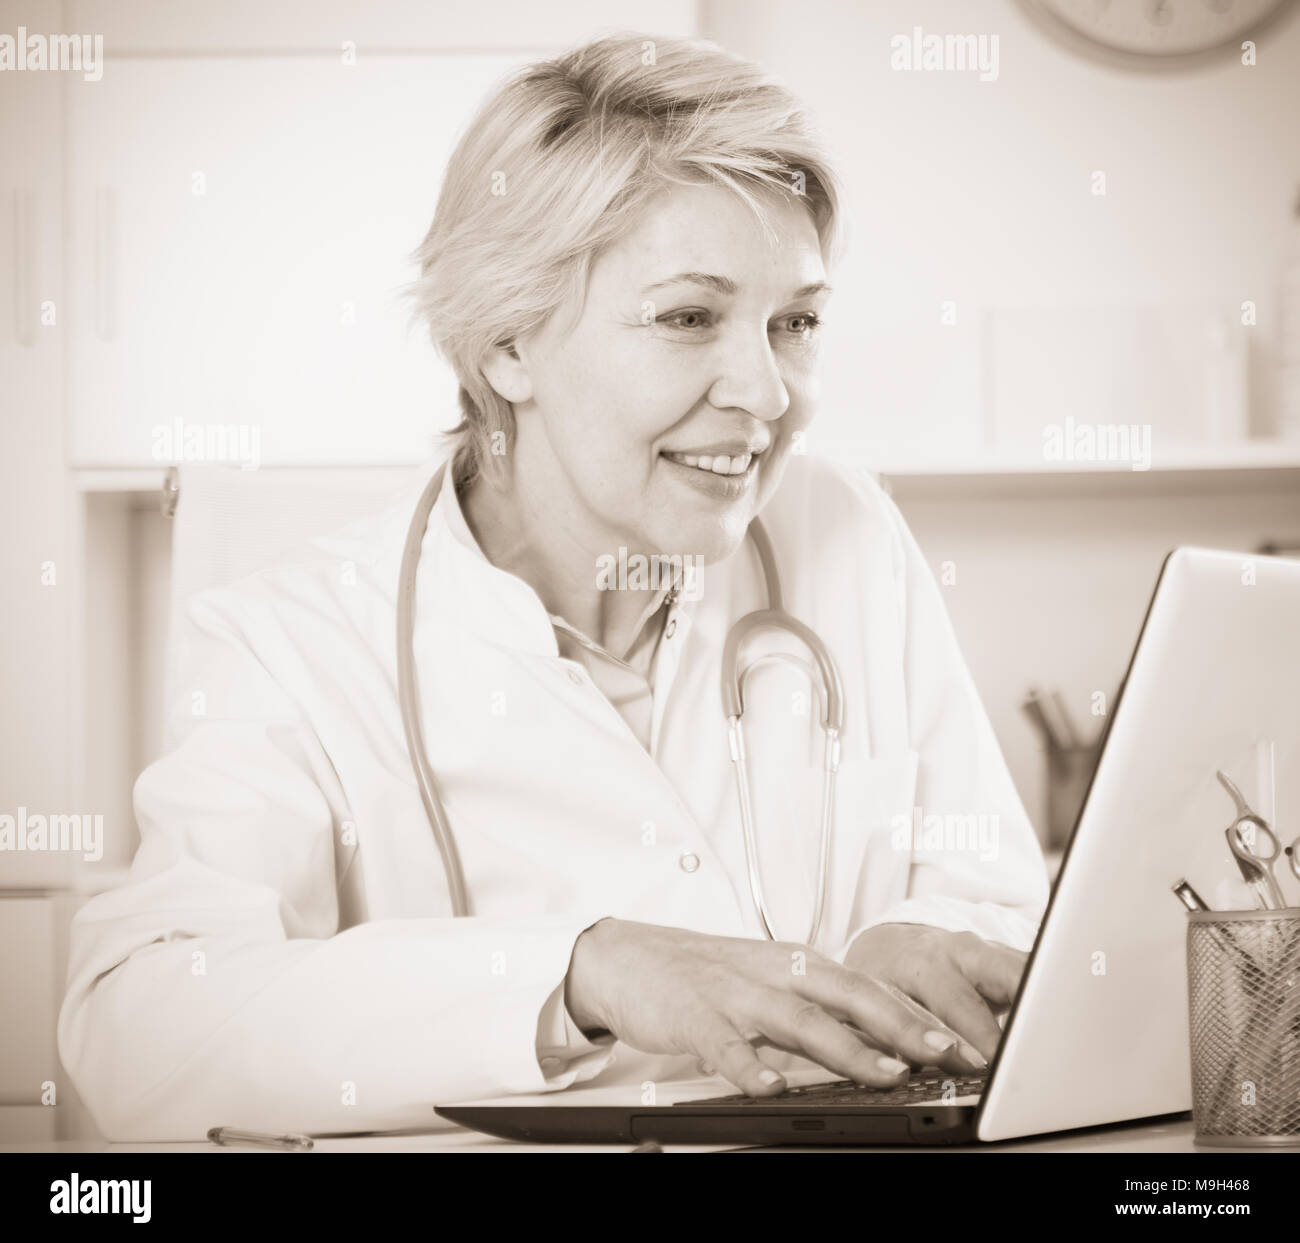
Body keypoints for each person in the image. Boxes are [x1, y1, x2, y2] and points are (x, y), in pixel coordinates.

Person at [59, 32, 1048, 1141]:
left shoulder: (841, 531)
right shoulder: (293, 640)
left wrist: (914, 943)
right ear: (507, 347)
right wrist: (582, 972)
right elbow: (139, 1024)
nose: (768, 394)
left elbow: (998, 892)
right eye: (687, 318)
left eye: (796, 322)